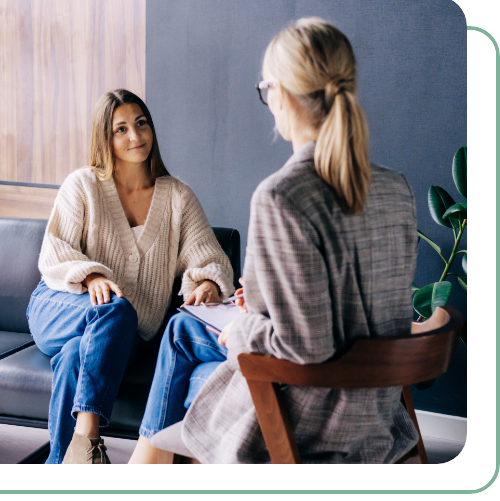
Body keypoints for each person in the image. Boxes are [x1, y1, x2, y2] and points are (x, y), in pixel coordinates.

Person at [130, 17, 420, 469]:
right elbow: (367, 307)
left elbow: (307, 346)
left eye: (266, 89)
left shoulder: (283, 195)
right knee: (184, 327)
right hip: (378, 408)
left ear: (281, 95)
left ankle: (143, 458)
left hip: (313, 412)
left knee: (189, 351)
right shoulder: (394, 188)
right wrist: (263, 303)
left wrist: (244, 328)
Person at [26, 89, 234, 471]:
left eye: (141, 123)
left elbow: (208, 257)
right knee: (116, 311)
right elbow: (54, 253)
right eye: (120, 128)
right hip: (61, 306)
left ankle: (62, 466)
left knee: (78, 354)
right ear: (105, 138)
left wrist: (206, 283)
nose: (135, 136)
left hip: (129, 333)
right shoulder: (83, 185)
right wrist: (90, 277)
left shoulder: (178, 197)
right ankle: (90, 441)